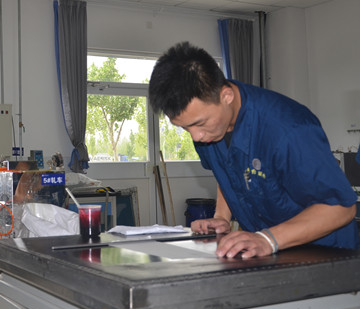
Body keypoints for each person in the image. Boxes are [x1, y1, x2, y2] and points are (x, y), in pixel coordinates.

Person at [148, 41, 359, 259]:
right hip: (268, 252)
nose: (196, 137)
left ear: (226, 96)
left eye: (199, 124)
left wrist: (268, 239)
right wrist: (221, 217)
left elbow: (341, 207)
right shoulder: (208, 129)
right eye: (185, 128)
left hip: (327, 255)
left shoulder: (289, 129)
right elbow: (228, 173)